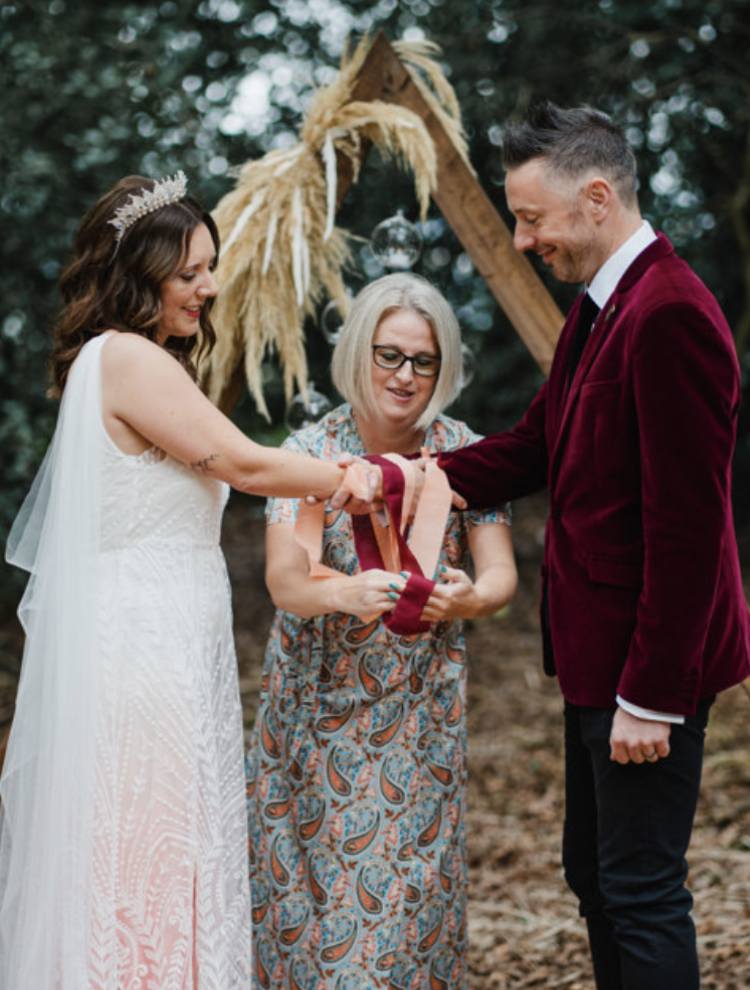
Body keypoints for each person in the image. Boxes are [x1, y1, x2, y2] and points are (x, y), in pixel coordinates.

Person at [0, 171, 377, 990]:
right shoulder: (128, 358)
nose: (209, 286)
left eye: (210, 265)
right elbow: (240, 461)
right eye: (189, 273)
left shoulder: (124, 362)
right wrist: (344, 472)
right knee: (149, 857)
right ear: (137, 278)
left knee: (162, 854)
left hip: (163, 648)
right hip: (140, 657)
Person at [433, 102, 750, 989]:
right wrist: (415, 476)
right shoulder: (604, 308)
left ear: (598, 197)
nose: (525, 241)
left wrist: (653, 695)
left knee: (642, 890)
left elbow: (688, 529)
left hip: (647, 671)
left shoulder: (670, 316)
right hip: (597, 656)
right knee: (598, 878)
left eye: (532, 219)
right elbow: (538, 444)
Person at [245, 272, 517, 989]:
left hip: (418, 715)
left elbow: (499, 577)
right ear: (359, 352)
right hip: (312, 716)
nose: (404, 375)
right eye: (389, 355)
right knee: (309, 919)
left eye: (423, 361)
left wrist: (468, 600)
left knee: (405, 916)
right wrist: (345, 594)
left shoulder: (464, 450)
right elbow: (285, 581)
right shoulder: (309, 449)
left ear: (444, 367)